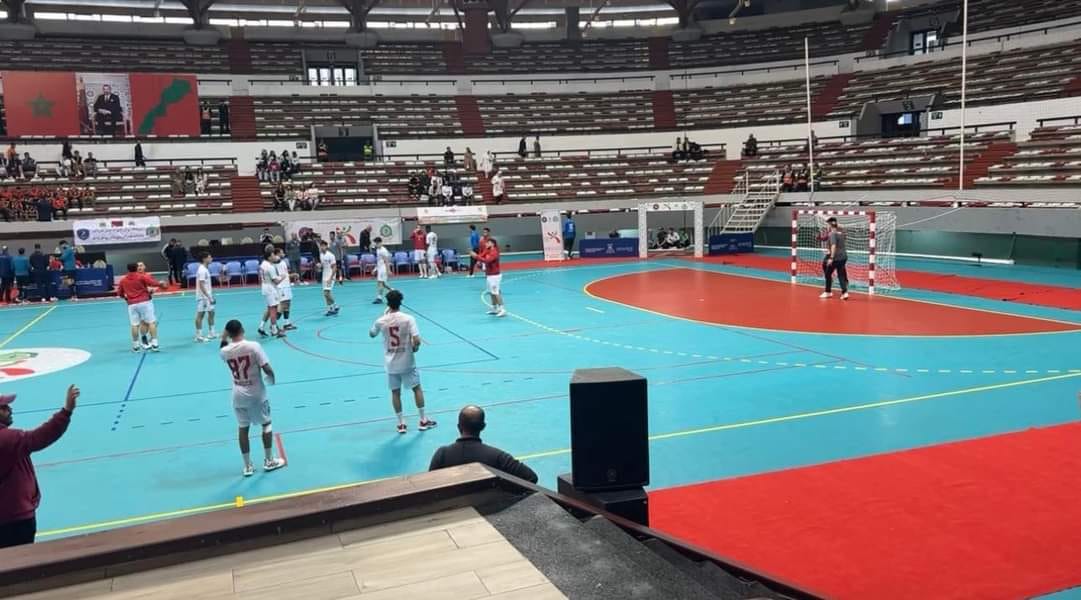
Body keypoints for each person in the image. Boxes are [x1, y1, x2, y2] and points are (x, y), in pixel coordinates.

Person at [0, 385, 79, 548]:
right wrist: (66, 411)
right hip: (14, 518)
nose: (10, 409)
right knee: (20, 559)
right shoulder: (7, 438)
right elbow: (40, 437)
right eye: (4, 408)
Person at [219, 320, 287, 477]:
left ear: (228, 333)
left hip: (238, 394)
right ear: (242, 329)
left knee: (243, 428)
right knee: (266, 424)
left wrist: (223, 337)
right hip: (256, 393)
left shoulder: (225, 351)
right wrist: (272, 376)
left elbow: (222, 348)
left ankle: (247, 466)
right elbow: (266, 367)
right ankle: (269, 460)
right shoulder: (253, 346)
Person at [369, 290, 436, 434]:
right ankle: (423, 420)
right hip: (407, 362)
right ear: (401, 302)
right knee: (416, 389)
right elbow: (417, 340)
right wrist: (415, 348)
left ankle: (401, 424)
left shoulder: (381, 320)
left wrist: (383, 316)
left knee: (395, 393)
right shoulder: (408, 319)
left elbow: (372, 334)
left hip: (391, 364)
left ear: (388, 303)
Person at [429, 405, 537, 483]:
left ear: (458, 426)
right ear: (483, 427)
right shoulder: (497, 457)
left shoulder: (442, 454)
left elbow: (428, 483)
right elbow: (531, 477)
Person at [117, 262, 163, 352]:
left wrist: (126, 298)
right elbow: (153, 283)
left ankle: (136, 346)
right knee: (151, 322)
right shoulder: (141, 277)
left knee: (134, 325)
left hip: (132, 304)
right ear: (136, 268)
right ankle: (155, 344)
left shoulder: (123, 280)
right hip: (145, 302)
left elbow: (120, 293)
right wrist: (160, 283)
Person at [472, 236, 505, 317]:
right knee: (491, 292)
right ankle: (494, 308)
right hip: (489, 275)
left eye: (487, 243)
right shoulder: (487, 250)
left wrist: (476, 256)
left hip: (495, 276)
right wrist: (477, 259)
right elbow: (482, 256)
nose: (486, 244)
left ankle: (502, 309)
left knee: (496, 292)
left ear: (492, 244)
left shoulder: (494, 252)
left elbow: (487, 260)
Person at [257, 245, 286, 338]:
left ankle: (261, 327)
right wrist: (283, 277)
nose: (274, 257)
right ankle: (274, 330)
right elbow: (276, 281)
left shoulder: (263, 264)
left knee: (270, 309)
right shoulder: (270, 267)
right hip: (271, 289)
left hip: (265, 287)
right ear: (269, 257)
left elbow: (277, 260)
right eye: (273, 255)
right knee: (273, 309)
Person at [819, 217, 849, 300]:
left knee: (828, 274)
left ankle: (828, 292)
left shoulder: (832, 234)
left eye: (828, 224)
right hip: (844, 257)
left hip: (835, 258)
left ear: (830, 225)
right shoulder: (842, 234)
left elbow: (833, 245)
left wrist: (831, 257)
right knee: (840, 275)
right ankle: (845, 293)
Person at [194, 251, 217, 342]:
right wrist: (208, 297)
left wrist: (210, 296)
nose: (211, 259)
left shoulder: (205, 269)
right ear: (204, 259)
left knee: (211, 313)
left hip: (208, 296)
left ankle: (212, 333)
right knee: (200, 315)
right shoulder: (202, 270)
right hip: (203, 297)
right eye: (209, 257)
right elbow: (201, 285)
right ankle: (199, 336)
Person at [274, 248, 296, 331]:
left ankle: (287, 323)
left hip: (287, 285)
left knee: (287, 304)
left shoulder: (283, 262)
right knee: (282, 305)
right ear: (277, 254)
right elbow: (275, 260)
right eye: (281, 252)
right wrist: (276, 256)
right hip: (282, 286)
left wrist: (292, 275)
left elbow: (285, 274)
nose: (283, 253)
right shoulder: (276, 261)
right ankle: (274, 324)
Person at [318, 239, 340, 316]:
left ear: (326, 246)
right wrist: (319, 267)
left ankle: (335, 306)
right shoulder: (321, 255)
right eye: (321, 246)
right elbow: (323, 265)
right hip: (324, 275)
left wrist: (331, 278)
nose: (322, 247)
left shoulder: (331, 255)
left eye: (323, 246)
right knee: (325, 294)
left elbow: (334, 267)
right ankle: (330, 309)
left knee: (326, 293)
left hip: (330, 275)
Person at [372, 236, 392, 304]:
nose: (376, 245)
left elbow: (386, 261)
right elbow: (378, 260)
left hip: (383, 269)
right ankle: (393, 291)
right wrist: (375, 269)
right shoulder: (378, 249)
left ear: (380, 243)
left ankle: (379, 298)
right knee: (383, 284)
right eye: (375, 243)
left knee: (380, 283)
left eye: (377, 243)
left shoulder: (383, 250)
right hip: (380, 268)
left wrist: (388, 270)